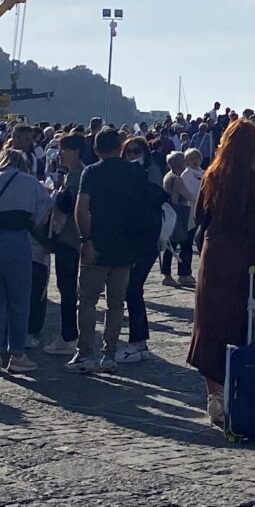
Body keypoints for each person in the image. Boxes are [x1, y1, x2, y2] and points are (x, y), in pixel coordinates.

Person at [188, 119, 255, 428]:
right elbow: (252, 225)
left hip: (214, 251)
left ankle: (214, 395)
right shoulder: (254, 181)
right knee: (239, 318)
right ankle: (236, 389)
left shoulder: (213, 175)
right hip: (243, 254)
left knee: (210, 320)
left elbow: (199, 216)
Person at [66, 128, 148, 374]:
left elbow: (81, 209)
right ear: (120, 146)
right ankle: (109, 354)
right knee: (116, 303)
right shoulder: (134, 172)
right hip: (125, 246)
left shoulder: (91, 172)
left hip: (98, 243)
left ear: (96, 149)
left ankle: (85, 353)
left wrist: (86, 239)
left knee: (88, 301)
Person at [0, 149, 51, 375]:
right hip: (17, 242)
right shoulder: (31, 183)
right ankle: (17, 354)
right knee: (19, 300)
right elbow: (43, 214)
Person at [115, 136, 167, 364]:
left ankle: (138, 341)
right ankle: (139, 339)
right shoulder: (124, 174)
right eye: (128, 151)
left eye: (136, 151)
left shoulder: (151, 172)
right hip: (130, 239)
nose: (132, 155)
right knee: (131, 289)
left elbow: (155, 199)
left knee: (132, 287)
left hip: (147, 240)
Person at [44, 131, 85, 355]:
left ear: (76, 151)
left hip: (68, 238)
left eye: (63, 149)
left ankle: (68, 336)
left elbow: (68, 205)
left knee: (67, 288)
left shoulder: (76, 176)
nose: (59, 153)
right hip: (74, 239)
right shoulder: (76, 174)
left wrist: (56, 196)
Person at [161, 151, 197, 288]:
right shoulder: (177, 179)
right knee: (183, 245)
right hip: (180, 213)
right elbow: (190, 196)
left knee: (172, 245)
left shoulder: (167, 176)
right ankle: (180, 274)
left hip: (171, 212)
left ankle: (172, 274)